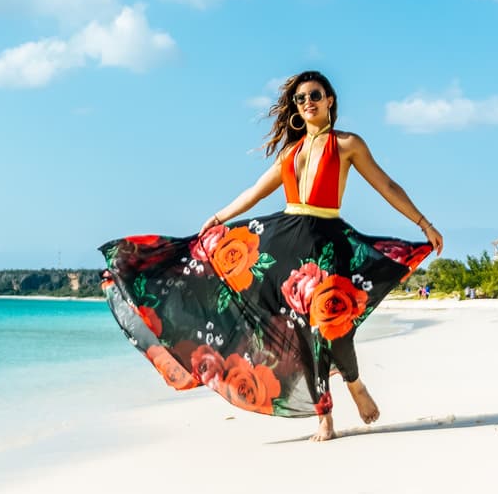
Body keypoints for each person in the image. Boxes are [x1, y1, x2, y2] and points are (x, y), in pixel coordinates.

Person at [99, 71, 443, 442]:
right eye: (300, 98)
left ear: (329, 100)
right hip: (286, 242)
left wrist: (423, 223)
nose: (307, 102)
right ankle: (324, 415)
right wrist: (218, 217)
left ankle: (355, 383)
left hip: (328, 242)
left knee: (331, 324)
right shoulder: (290, 153)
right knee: (300, 330)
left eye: (315, 95)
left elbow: (386, 184)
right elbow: (255, 192)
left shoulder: (347, 144)